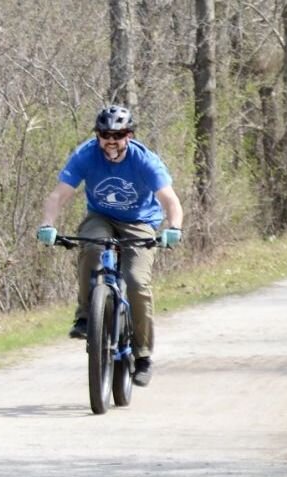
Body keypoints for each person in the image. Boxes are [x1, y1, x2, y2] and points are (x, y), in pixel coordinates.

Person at [35, 105, 184, 387]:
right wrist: (47, 224)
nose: (111, 140)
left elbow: (170, 200)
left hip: (140, 222)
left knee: (137, 281)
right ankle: (85, 317)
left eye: (118, 134)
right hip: (101, 217)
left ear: (129, 135)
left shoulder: (145, 160)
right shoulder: (86, 155)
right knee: (91, 246)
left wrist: (174, 228)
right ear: (98, 136)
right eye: (105, 134)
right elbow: (58, 195)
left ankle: (142, 355)